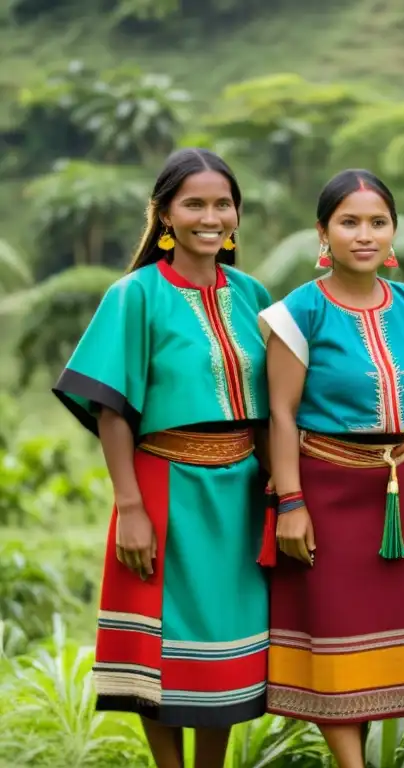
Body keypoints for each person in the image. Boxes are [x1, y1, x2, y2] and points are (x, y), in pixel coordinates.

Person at [52, 148, 271, 768]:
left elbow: (277, 403)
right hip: (163, 487)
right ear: (166, 215)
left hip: (240, 495)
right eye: (194, 203)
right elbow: (112, 406)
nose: (211, 216)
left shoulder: (253, 294)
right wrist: (131, 508)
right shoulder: (136, 294)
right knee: (161, 648)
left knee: (224, 644)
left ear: (236, 214)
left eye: (222, 203)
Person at [258, 169, 404, 768]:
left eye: (378, 222)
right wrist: (291, 504)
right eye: (349, 222)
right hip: (326, 490)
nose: (364, 235)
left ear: (393, 231)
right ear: (323, 232)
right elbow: (281, 411)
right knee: (335, 631)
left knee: (393, 628)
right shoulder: (299, 314)